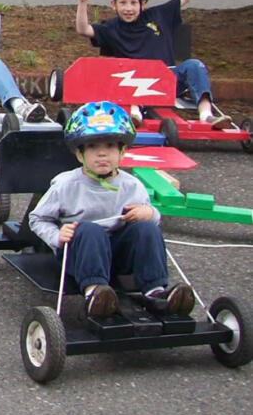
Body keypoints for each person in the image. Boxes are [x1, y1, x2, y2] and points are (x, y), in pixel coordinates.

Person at [29, 101, 194, 318]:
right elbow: (38, 219)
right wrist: (58, 236)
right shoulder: (65, 184)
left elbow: (151, 219)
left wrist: (150, 214)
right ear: (80, 155)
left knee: (147, 229)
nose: (102, 154)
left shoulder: (131, 185)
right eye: (93, 147)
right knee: (90, 230)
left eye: (109, 147)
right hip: (79, 254)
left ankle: (156, 293)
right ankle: (95, 294)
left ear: (122, 151)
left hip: (117, 254)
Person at [74, 0, 231, 129]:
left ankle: (207, 115)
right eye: (123, 3)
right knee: (129, 76)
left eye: (133, 3)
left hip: (167, 79)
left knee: (195, 65)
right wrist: (82, 2)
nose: (128, 8)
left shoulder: (159, 16)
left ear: (144, 4)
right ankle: (134, 115)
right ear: (114, 5)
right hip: (133, 82)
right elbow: (83, 29)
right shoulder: (111, 28)